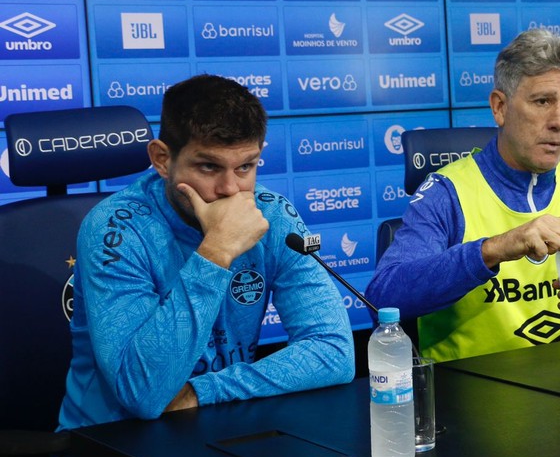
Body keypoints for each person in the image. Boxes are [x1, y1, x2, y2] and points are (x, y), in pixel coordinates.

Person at [58, 75, 355, 430]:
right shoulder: (114, 230)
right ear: (162, 159)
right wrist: (216, 251)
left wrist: (202, 393)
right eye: (209, 167)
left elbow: (334, 352)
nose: (231, 189)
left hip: (216, 422)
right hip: (111, 444)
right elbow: (143, 394)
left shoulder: (273, 217)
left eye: (246, 166)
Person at [366, 29, 560, 362]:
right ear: (500, 107)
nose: (559, 121)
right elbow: (383, 298)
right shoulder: (447, 192)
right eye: (543, 102)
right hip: (473, 399)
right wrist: (493, 249)